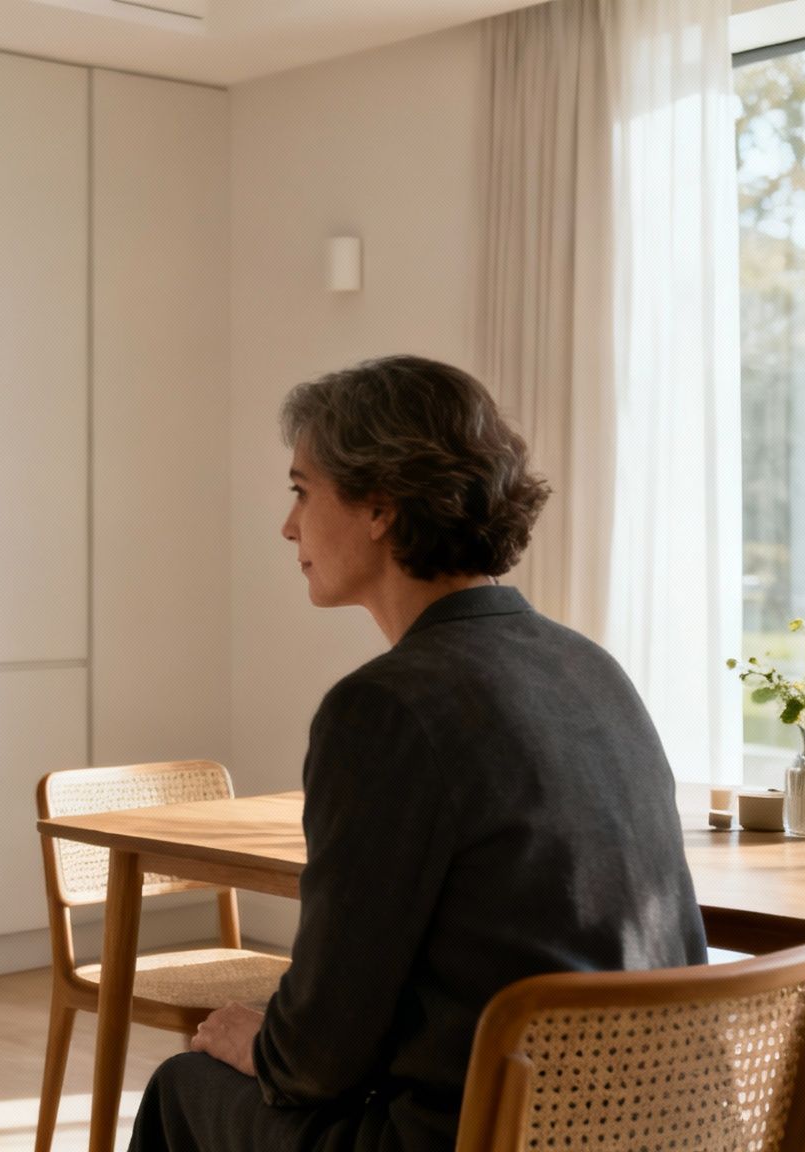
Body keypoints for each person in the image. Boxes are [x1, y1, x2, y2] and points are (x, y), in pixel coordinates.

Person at [130, 356, 707, 1151]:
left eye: (302, 490)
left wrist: (256, 1044)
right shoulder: (589, 665)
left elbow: (318, 1058)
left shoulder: (384, 708)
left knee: (186, 1084)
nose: (288, 525)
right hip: (654, 1128)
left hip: (481, 1135)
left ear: (379, 505)